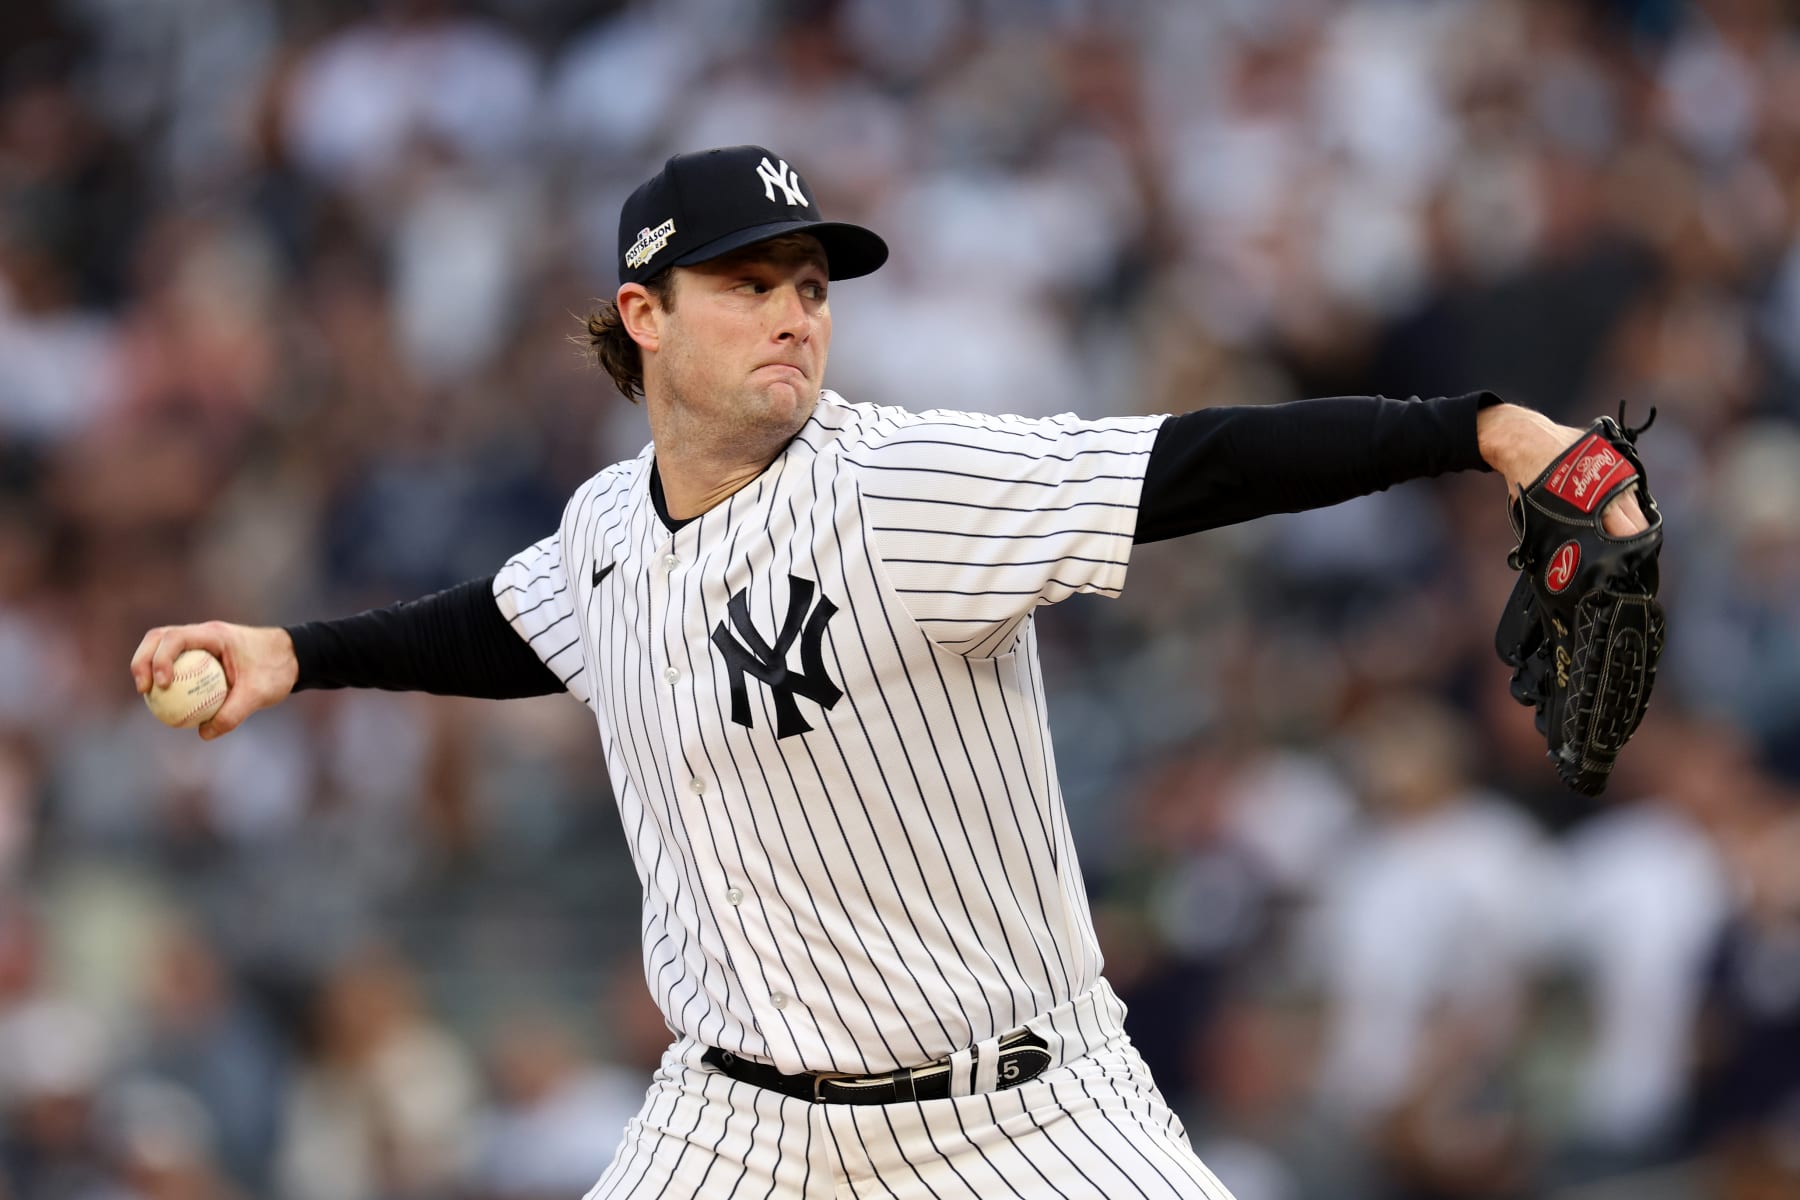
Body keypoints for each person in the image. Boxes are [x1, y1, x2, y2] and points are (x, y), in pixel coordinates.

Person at [131, 145, 1649, 1199]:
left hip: (1023, 1112)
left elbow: (1193, 465)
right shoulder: (608, 526)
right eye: (751, 282)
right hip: (733, 1124)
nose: (797, 309)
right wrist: (291, 653)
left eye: (812, 281)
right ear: (645, 319)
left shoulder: (897, 486)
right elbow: (506, 626)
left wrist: (1480, 427)